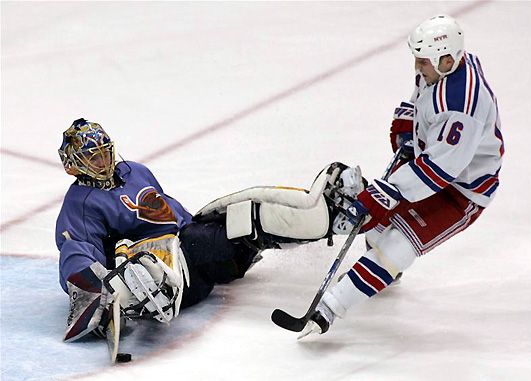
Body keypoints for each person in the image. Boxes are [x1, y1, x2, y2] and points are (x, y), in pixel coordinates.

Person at [56, 118, 357, 342]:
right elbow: (75, 252)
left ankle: (332, 217)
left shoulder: (133, 170)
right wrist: (94, 290)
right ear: (74, 165)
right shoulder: (80, 204)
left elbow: (169, 211)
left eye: (105, 152)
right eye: (92, 156)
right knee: (246, 223)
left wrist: (204, 222)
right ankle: (332, 221)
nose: (103, 160)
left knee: (246, 210)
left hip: (194, 249)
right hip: (170, 279)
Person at [299, 14, 504, 336]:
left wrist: (386, 192)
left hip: (463, 189)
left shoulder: (462, 105)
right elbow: (420, 101)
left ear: (447, 59)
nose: (417, 68)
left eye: (422, 61)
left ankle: (329, 309)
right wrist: (408, 129)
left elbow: (440, 170)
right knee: (377, 225)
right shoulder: (443, 68)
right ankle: (382, 273)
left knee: (397, 245)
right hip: (433, 166)